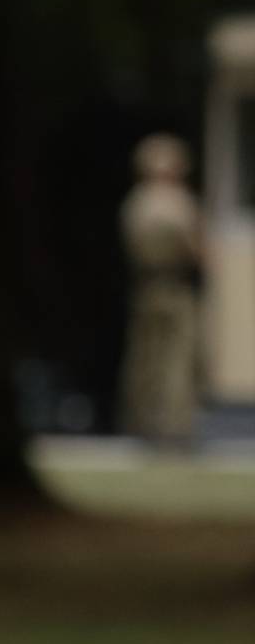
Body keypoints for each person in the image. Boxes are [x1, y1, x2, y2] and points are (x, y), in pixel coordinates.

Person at [122, 132, 205, 448]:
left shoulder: (136, 203)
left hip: (145, 285)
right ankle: (174, 425)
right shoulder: (179, 203)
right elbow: (197, 249)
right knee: (178, 356)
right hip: (175, 286)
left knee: (145, 356)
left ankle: (141, 420)